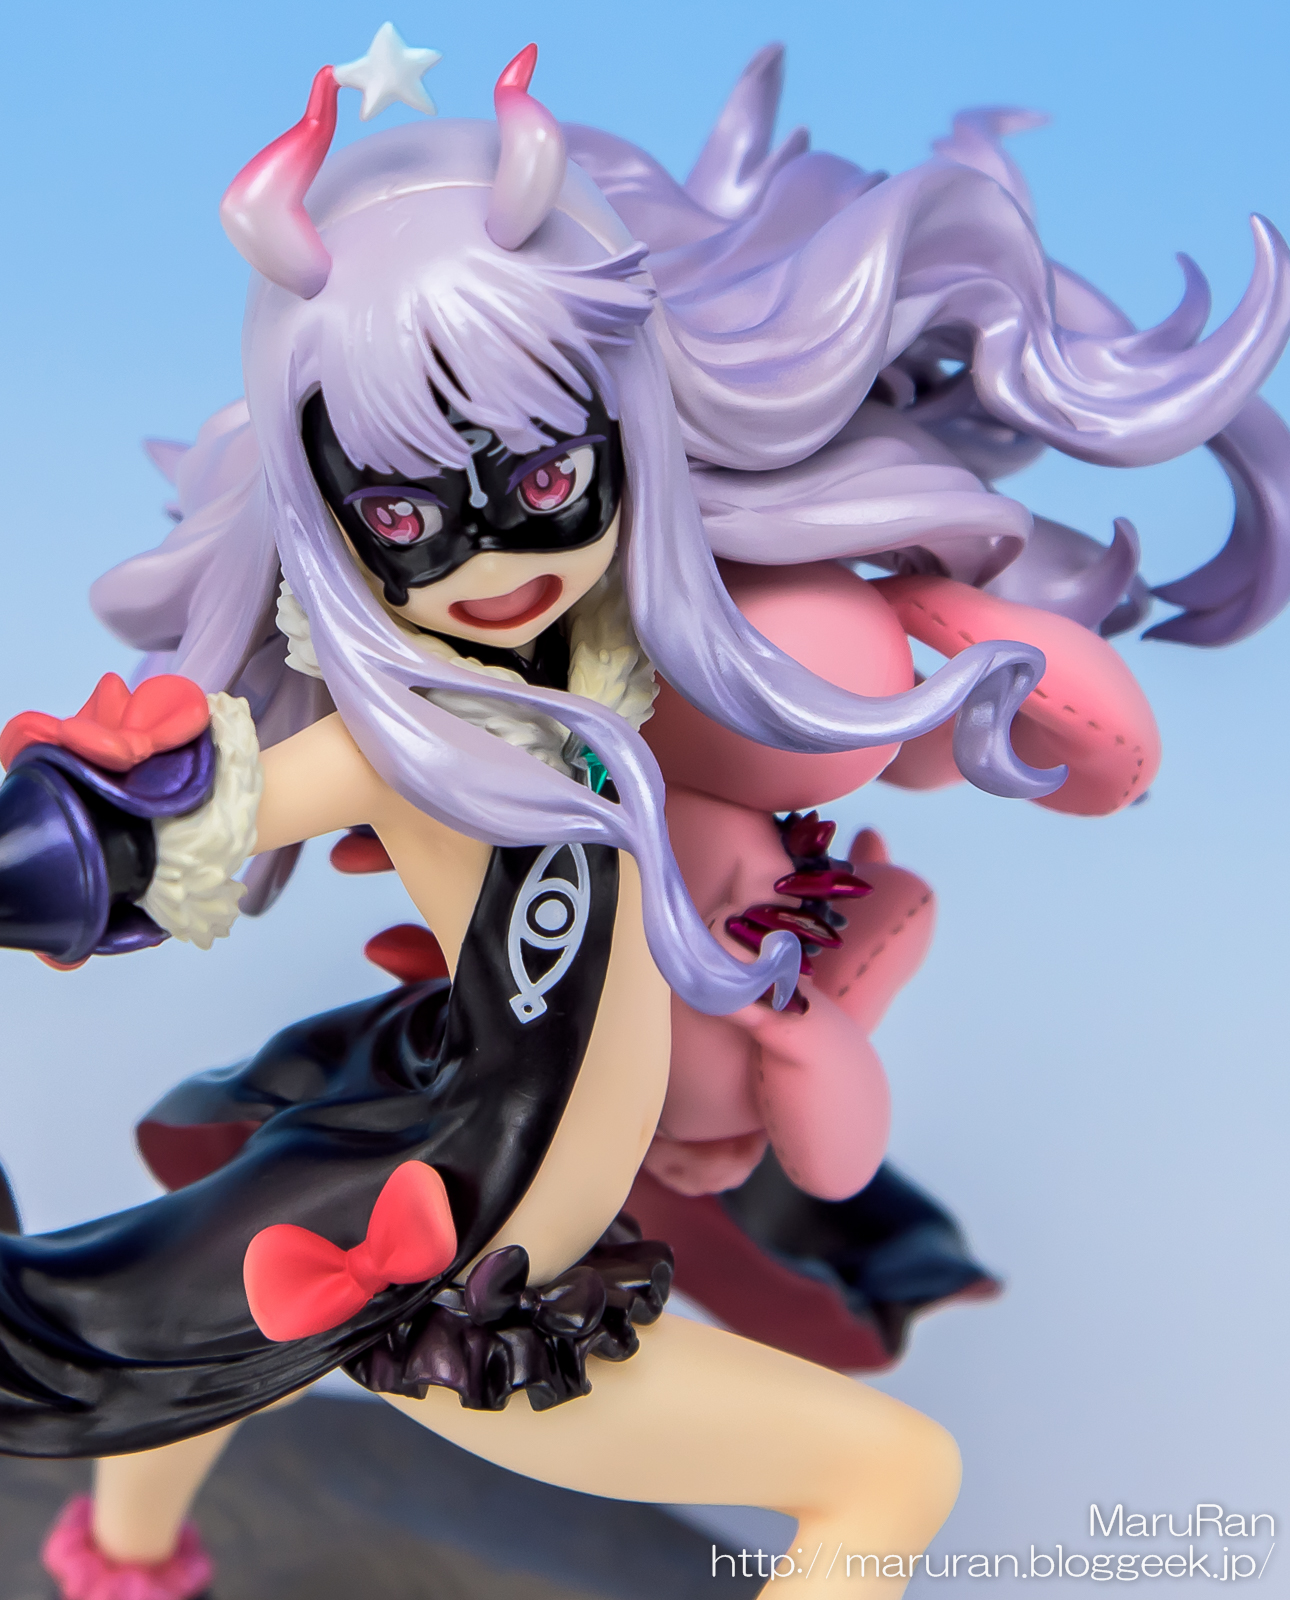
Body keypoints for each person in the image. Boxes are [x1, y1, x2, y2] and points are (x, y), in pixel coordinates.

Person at [2, 29, 1287, 1600]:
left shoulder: (601, 658)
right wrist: (81, 839)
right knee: (894, 1477)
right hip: (480, 1256)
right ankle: (124, 1550)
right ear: (327, 519)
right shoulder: (415, 734)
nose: (493, 557)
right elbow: (200, 812)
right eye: (403, 512)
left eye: (545, 480)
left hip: (491, 1151)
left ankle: (123, 1558)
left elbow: (805, 686)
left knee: (206, 1345)